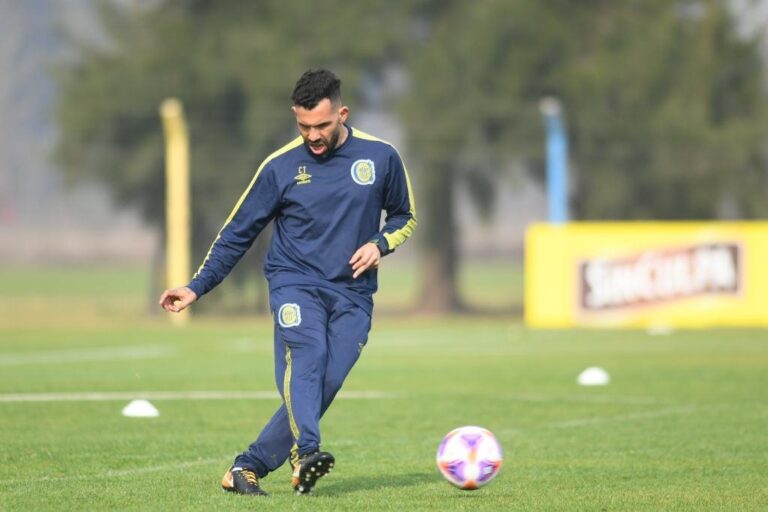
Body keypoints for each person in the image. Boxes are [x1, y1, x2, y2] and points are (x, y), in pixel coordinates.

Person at [158, 68, 416, 496]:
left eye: (322, 125)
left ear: (343, 114)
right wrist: (196, 286)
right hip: (294, 284)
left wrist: (380, 243)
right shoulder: (280, 167)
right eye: (303, 126)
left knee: (325, 384)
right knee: (309, 353)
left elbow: (405, 216)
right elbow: (236, 233)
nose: (312, 135)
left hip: (353, 294)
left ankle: (246, 467)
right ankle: (307, 454)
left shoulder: (382, 157)